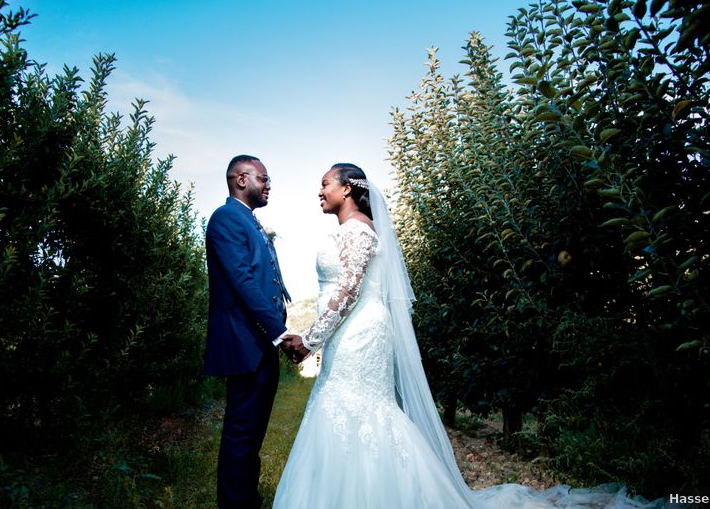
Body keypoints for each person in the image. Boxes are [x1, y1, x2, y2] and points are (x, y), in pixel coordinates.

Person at [275, 163, 657, 508]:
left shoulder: (358, 229)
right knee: (347, 406)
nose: (320, 191)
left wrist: (310, 340)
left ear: (346, 189)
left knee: (362, 407)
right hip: (347, 331)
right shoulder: (349, 229)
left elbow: (349, 291)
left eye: (325, 184)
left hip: (358, 331)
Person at [203, 155, 305, 509]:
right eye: (264, 178)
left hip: (260, 344)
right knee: (241, 435)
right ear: (241, 179)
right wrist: (280, 333)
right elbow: (243, 282)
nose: (269, 185)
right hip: (245, 344)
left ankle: (246, 499)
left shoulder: (249, 220)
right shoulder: (226, 218)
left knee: (252, 435)